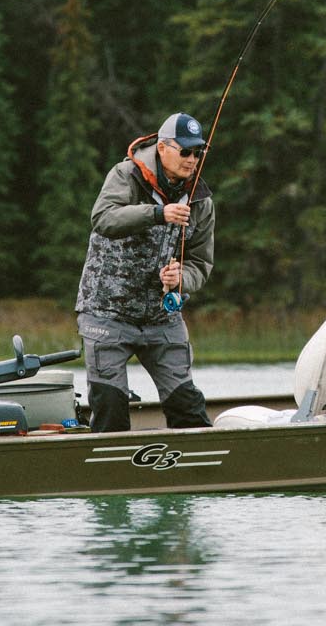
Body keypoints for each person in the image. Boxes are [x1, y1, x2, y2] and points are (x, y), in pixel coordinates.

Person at [74, 111, 217, 432]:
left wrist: (182, 279)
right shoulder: (125, 175)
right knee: (110, 407)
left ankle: (198, 475)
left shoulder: (202, 201)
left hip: (161, 319)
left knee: (187, 405)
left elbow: (201, 263)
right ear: (163, 148)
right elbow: (104, 218)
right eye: (185, 151)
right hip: (105, 315)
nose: (192, 159)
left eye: (199, 152)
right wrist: (157, 213)